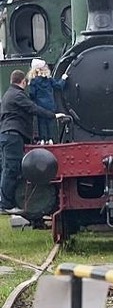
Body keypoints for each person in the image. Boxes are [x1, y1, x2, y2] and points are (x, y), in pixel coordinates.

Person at [0, 69, 67, 214]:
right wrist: (53, 116)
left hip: (10, 135)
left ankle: (6, 202)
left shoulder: (9, 94)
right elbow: (33, 108)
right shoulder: (17, 95)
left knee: (10, 168)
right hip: (13, 135)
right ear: (23, 81)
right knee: (11, 168)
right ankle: (5, 204)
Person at [27, 58, 66, 143]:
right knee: (50, 122)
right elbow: (58, 86)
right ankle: (51, 139)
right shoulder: (49, 80)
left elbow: (32, 94)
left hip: (40, 106)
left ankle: (43, 139)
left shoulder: (33, 81)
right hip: (50, 105)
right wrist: (63, 79)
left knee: (42, 123)